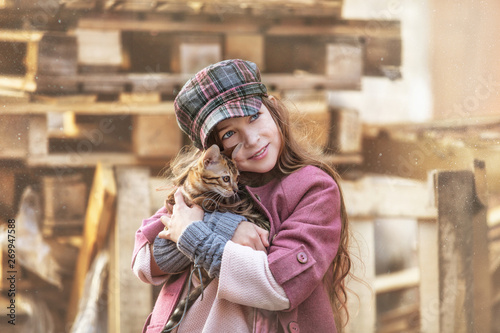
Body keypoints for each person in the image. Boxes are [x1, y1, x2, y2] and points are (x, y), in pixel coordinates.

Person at [132, 59, 351, 333]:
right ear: (214, 150)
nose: (252, 140)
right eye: (230, 133)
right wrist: (220, 227)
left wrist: (195, 235)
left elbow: (278, 286)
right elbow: (145, 262)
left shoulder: (314, 189)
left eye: (254, 117)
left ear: (273, 108)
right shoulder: (207, 184)